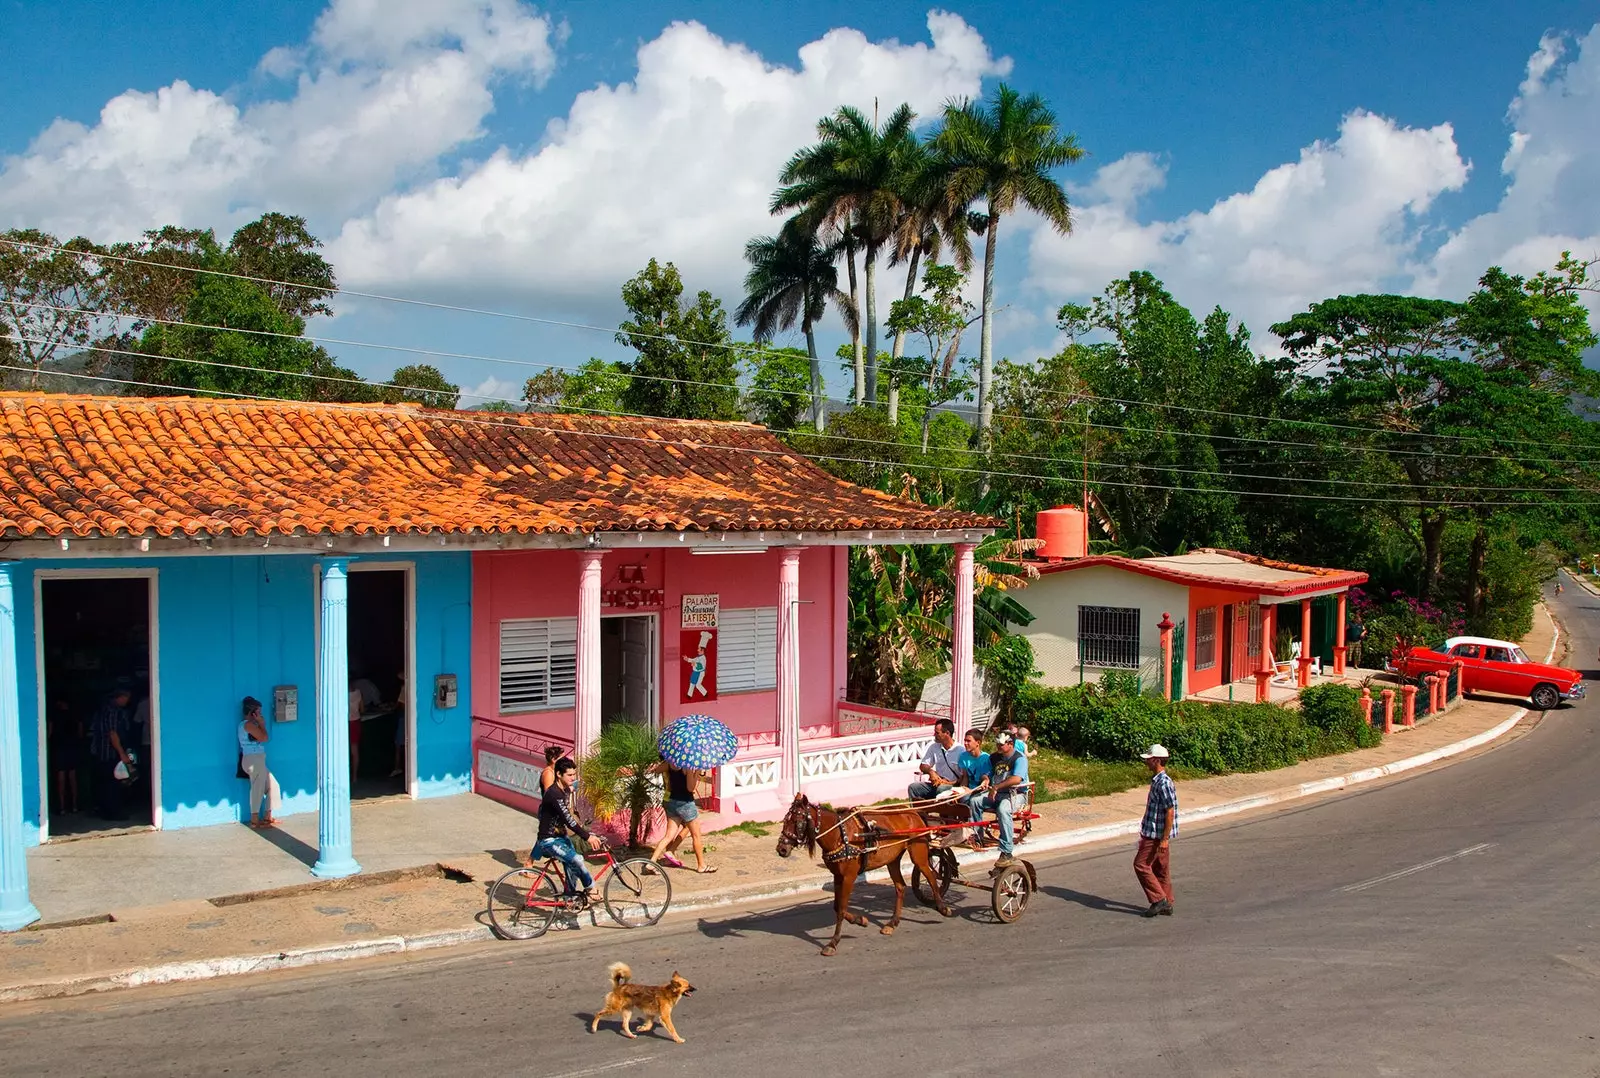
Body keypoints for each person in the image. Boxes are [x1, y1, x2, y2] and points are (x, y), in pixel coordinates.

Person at [532, 758, 604, 904]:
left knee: (572, 865)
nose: (573, 778)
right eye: (569, 775)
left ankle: (569, 897)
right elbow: (568, 820)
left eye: (574, 774)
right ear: (559, 774)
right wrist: (587, 837)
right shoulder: (554, 794)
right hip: (549, 840)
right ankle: (590, 888)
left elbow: (571, 790)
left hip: (560, 837)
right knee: (578, 860)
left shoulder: (562, 789)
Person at [971, 731, 1028, 870]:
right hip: (997, 793)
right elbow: (986, 773)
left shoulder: (1019, 758)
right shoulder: (994, 757)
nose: (998, 746)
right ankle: (978, 837)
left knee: (1003, 809)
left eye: (1001, 744)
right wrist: (985, 779)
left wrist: (996, 787)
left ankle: (1007, 850)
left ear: (1010, 744)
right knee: (975, 801)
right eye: (997, 743)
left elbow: (1017, 779)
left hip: (1016, 795)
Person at [1134, 743, 1178, 917]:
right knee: (1160, 869)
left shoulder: (1164, 783)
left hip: (1155, 835)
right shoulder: (1158, 780)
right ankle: (1167, 902)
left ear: (1157, 760)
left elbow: (1170, 811)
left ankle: (1158, 900)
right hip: (1156, 833)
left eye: (1150, 759)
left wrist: (1164, 839)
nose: (1147, 763)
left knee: (1141, 865)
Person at [649, 763, 716, 873]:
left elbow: (656, 770)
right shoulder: (687, 766)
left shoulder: (671, 763)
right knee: (696, 835)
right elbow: (690, 787)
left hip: (672, 801)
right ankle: (701, 865)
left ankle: (651, 862)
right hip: (686, 803)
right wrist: (697, 772)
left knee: (668, 836)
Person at [88, 685, 136, 821]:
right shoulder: (113, 712)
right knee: (113, 783)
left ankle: (105, 810)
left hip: (102, 753)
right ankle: (113, 812)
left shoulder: (103, 710)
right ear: (120, 697)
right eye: (126, 698)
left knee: (104, 783)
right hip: (111, 753)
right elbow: (113, 734)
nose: (127, 701)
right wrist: (121, 752)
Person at [238, 696, 279, 828]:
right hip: (253, 759)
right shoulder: (247, 725)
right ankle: (254, 820)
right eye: (259, 712)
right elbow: (264, 738)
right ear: (253, 712)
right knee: (258, 787)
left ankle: (267, 816)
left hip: (258, 759)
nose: (260, 714)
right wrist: (262, 724)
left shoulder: (251, 725)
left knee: (273, 785)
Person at [908, 719, 963, 800]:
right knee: (913, 787)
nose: (934, 735)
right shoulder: (934, 747)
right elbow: (923, 765)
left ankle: (943, 812)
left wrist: (947, 783)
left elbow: (964, 778)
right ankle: (917, 812)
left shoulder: (961, 751)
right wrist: (931, 772)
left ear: (947, 733)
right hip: (937, 784)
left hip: (954, 787)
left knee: (941, 789)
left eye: (937, 733)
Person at [956, 727, 993, 845]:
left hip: (981, 789)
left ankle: (976, 834)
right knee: (956, 796)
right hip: (970, 788)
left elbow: (985, 778)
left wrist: (972, 790)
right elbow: (965, 776)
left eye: (968, 741)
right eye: (965, 740)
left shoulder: (986, 758)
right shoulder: (963, 757)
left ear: (978, 743)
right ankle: (958, 829)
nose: (965, 743)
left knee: (970, 800)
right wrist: (962, 789)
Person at [47, 697, 81, 816]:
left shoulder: (54, 716)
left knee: (61, 777)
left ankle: (61, 807)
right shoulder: (75, 715)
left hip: (59, 748)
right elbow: (80, 733)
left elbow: (49, 733)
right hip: (72, 747)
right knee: (73, 777)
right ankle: (75, 805)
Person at [347, 674, 381, 777]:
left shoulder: (341, 694)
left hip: (345, 723)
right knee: (355, 750)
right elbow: (362, 709)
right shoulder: (358, 693)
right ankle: (355, 777)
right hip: (356, 722)